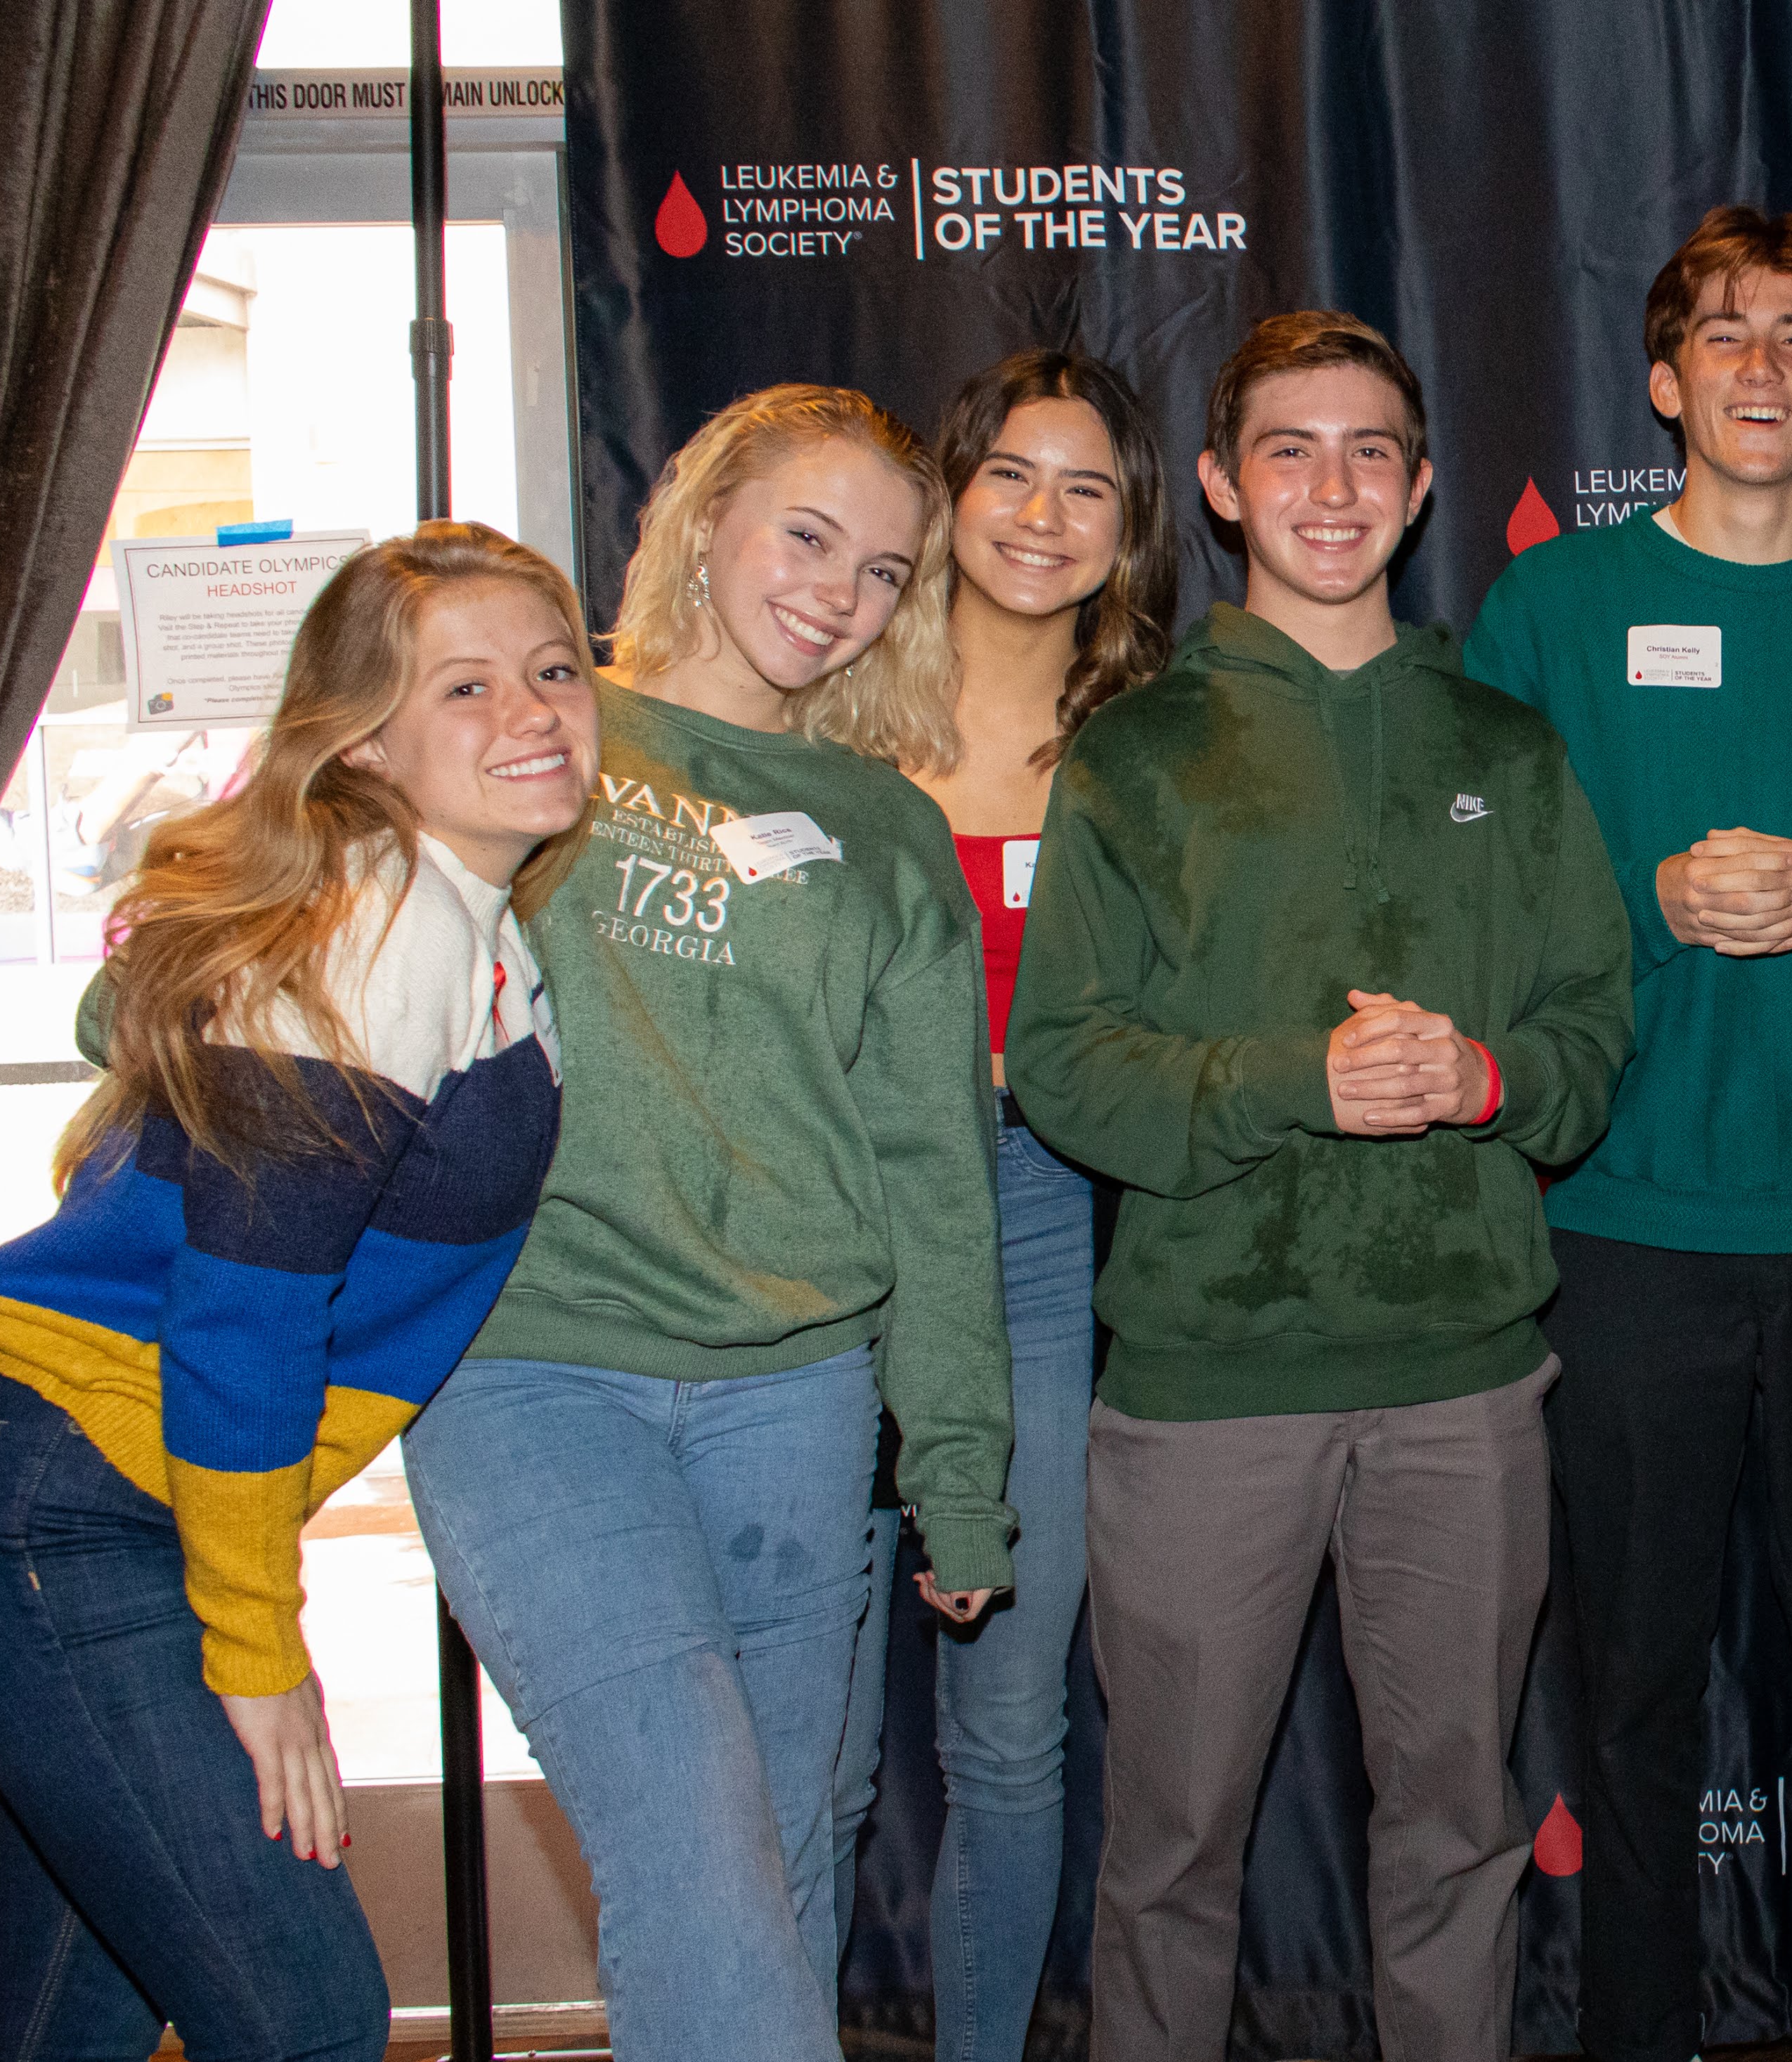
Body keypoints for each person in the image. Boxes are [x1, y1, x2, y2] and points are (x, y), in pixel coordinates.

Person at [1008, 310, 1634, 2062]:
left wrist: (1488, 1079)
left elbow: (1591, 1036)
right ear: (1218, 486)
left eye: (1371, 451)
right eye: (1289, 448)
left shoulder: (1508, 751)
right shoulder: (1134, 756)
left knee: (1457, 1833)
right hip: (1205, 1390)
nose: (1332, 486)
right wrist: (1301, 1083)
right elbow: (1062, 1062)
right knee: (1170, 1852)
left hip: (1467, 1387)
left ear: (1425, 488)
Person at [403, 385, 1017, 2062]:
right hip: (535, 1372)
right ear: (704, 512)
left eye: (888, 571)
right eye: (807, 534)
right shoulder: (547, 725)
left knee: (791, 1842)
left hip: (794, 1397)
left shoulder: (886, 829)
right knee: (698, 1845)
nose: (838, 589)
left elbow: (934, 1177)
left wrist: (960, 1465)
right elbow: (303, 940)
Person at [0, 522, 595, 2059]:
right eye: (467, 690)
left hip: (78, 1494)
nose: (534, 713)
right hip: (62, 1508)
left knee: (69, 2022)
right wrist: (258, 1647)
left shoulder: (465, 920)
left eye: (554, 671)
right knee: (302, 2016)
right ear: (362, 740)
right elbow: (246, 1312)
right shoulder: (383, 916)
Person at [1463, 203, 1792, 2061]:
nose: (1758, 366)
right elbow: (1476, 903)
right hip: (1619, 1227)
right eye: (1722, 334)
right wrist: (1638, 896)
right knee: (1631, 1704)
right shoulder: (1547, 611)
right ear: (1664, 377)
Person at [816, 346, 1179, 2062]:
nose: (1042, 517)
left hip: (1034, 1219)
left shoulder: (1151, 740)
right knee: (806, 1736)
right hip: (820, 1227)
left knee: (1012, 1730)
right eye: (1011, 476)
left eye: (1085, 485)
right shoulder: (822, 703)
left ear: (1130, 529)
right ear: (952, 495)